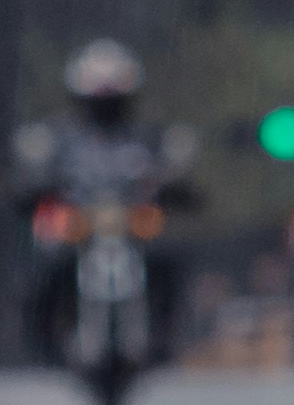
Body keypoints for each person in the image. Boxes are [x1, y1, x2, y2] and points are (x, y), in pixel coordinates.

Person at [13, 39, 196, 358]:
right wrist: (37, 190)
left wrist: (173, 189)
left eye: (114, 101)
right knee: (46, 270)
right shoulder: (61, 137)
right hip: (79, 231)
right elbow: (36, 175)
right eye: (99, 101)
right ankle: (48, 339)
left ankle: (164, 335)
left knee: (169, 264)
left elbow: (174, 173)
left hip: (132, 231)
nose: (106, 109)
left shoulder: (147, 137)